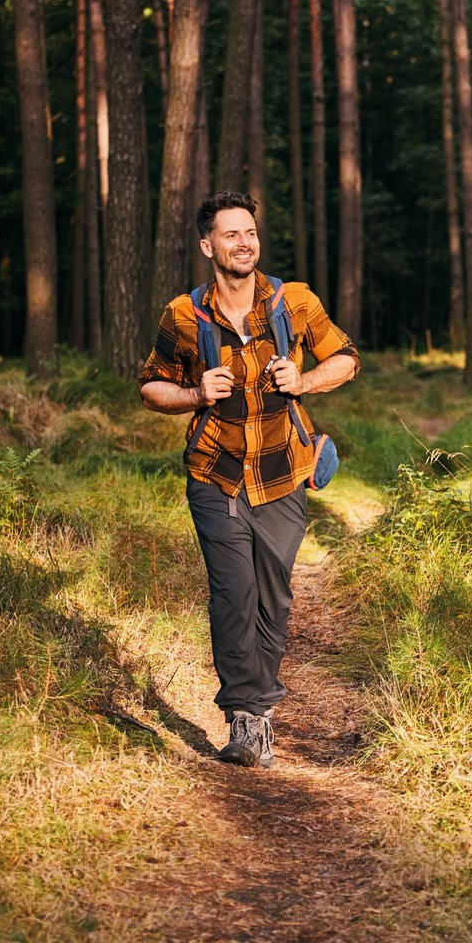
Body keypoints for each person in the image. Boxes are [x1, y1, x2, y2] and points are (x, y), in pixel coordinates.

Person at [138, 191, 360, 768]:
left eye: (251, 233)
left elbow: (347, 358)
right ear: (208, 245)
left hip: (285, 475)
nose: (244, 242)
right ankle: (248, 716)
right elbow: (150, 386)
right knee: (233, 594)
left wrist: (304, 381)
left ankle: (256, 703)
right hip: (216, 476)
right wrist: (193, 393)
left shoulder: (294, 302)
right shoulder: (183, 315)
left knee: (273, 597)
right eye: (231, 234)